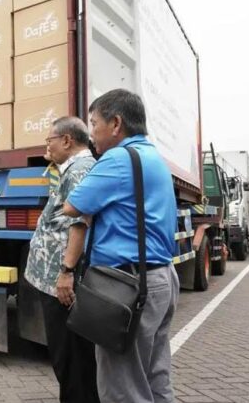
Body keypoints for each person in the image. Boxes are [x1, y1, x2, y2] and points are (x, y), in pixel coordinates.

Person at [62, 89, 179, 403]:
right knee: (155, 377)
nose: (91, 135)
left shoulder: (118, 158)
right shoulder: (151, 155)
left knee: (123, 387)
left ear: (116, 124)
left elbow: (72, 207)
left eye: (94, 123)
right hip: (160, 278)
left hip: (128, 285)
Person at [23, 116, 99, 402]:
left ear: (67, 140)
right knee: (68, 358)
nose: (47, 148)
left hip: (61, 284)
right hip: (54, 280)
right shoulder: (73, 169)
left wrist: (66, 272)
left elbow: (79, 222)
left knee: (71, 359)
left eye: (49, 141)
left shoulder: (80, 169)